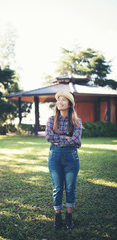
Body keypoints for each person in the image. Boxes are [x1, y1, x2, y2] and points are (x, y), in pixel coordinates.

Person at [45, 92, 82, 229]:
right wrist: (66, 138)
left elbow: (76, 140)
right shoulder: (51, 119)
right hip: (54, 158)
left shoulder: (76, 121)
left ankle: (69, 218)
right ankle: (57, 218)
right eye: (58, 100)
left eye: (64, 100)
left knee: (70, 188)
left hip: (71, 158)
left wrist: (58, 139)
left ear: (69, 104)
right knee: (57, 188)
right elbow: (48, 137)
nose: (60, 102)